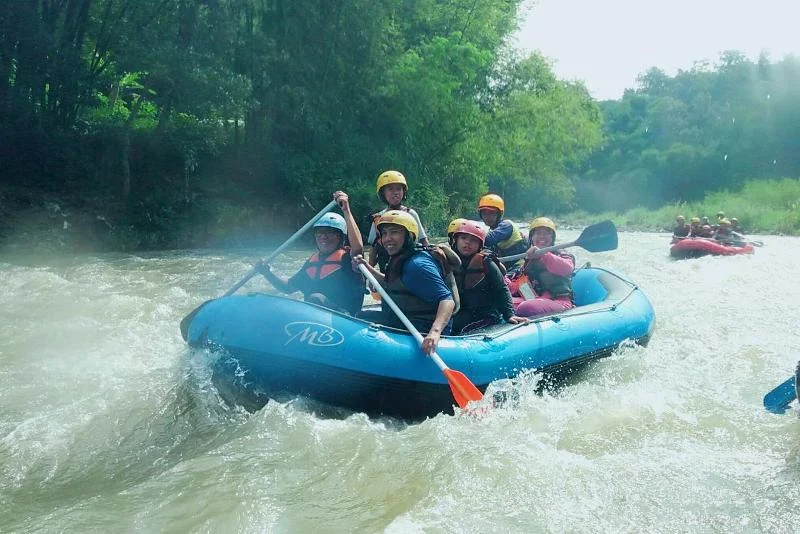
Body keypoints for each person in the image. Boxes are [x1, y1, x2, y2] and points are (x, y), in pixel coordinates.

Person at [355, 210, 456, 354]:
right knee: (358, 317)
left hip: (422, 326)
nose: (387, 238)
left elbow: (447, 300)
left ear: (409, 236)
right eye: (384, 233)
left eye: (394, 232)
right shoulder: (400, 257)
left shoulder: (418, 265)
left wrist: (434, 332)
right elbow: (392, 284)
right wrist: (367, 267)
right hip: (402, 320)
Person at [256, 191, 365, 315]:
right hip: (315, 320)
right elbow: (288, 288)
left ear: (341, 237)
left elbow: (358, 248)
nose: (323, 237)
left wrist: (346, 210)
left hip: (346, 318)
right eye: (319, 232)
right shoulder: (312, 262)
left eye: (330, 232)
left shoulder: (348, 258)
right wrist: (267, 273)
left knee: (316, 298)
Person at [450, 220, 526, 334]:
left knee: (459, 328)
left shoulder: (486, 262)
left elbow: (501, 289)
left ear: (480, 245)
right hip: (460, 313)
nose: (467, 243)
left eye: (473, 240)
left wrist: (509, 314)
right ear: (455, 240)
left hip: (485, 315)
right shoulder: (447, 262)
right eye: (463, 238)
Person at [367, 170, 428, 273]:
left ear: (403, 192)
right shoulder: (378, 218)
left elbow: (424, 242)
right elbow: (373, 249)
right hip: (386, 271)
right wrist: (370, 273)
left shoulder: (411, 214)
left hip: (410, 268)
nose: (395, 193)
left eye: (398, 189)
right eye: (390, 189)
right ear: (383, 193)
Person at [514, 217, 576, 318]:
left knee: (526, 307)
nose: (542, 236)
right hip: (536, 298)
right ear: (532, 238)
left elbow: (567, 268)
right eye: (538, 233)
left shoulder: (562, 254)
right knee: (503, 303)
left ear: (552, 238)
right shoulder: (529, 260)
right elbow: (517, 283)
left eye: (546, 233)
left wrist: (543, 253)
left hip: (559, 301)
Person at [477, 193, 528, 272]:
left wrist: (472, 234)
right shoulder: (493, 230)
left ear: (499, 214)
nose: (487, 217)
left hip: (519, 266)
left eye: (492, 213)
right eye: (484, 213)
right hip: (506, 267)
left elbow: (488, 240)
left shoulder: (506, 225)